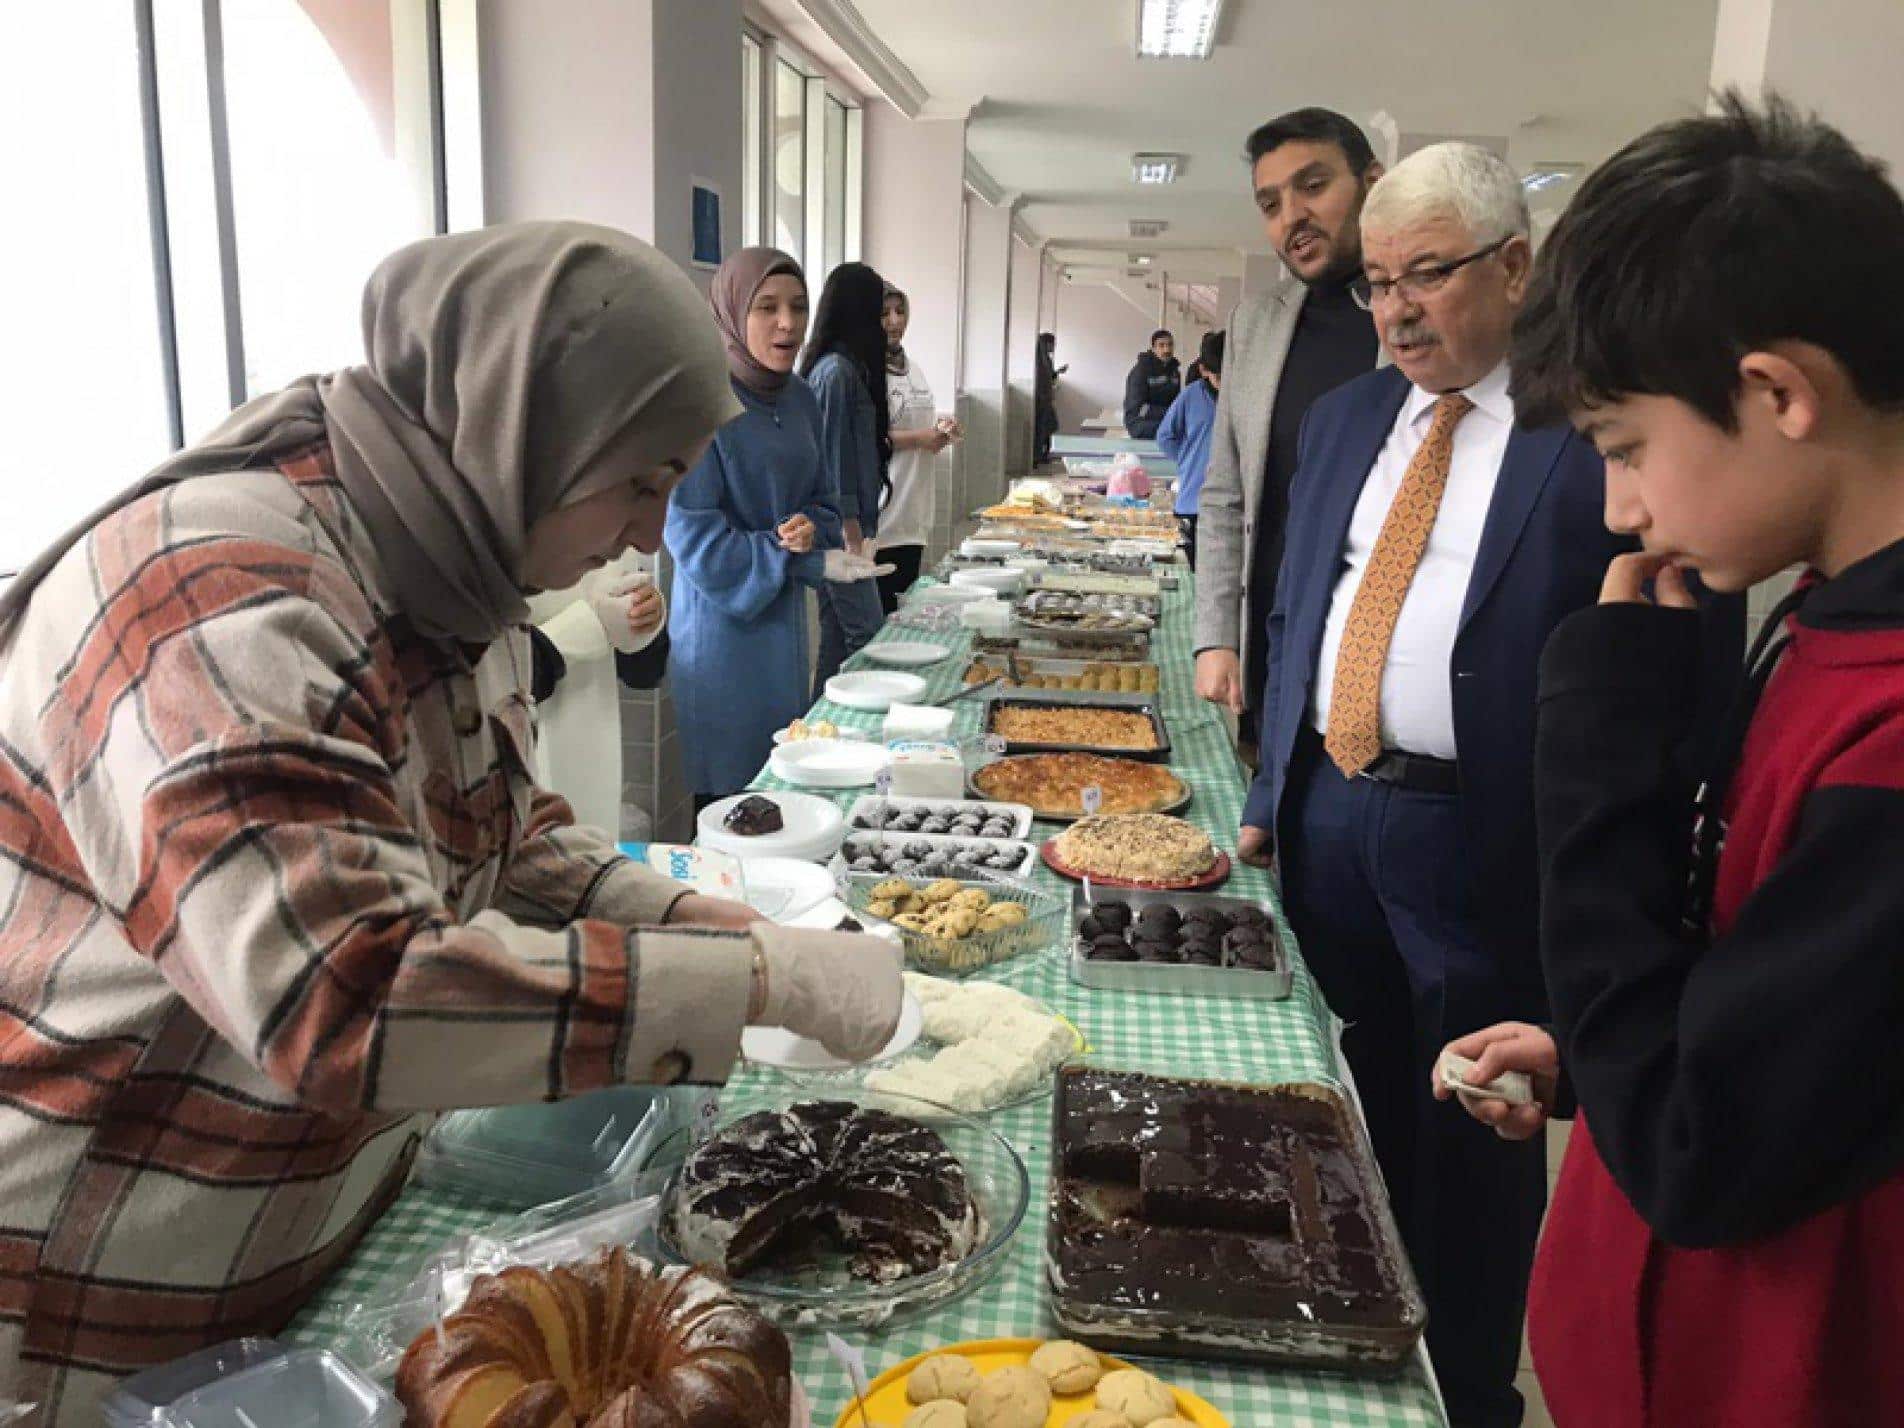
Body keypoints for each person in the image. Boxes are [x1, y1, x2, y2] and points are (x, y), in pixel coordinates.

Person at [0, 223, 903, 1420]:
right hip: (86, 1301)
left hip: (294, 1256)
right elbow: (347, 996)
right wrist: (744, 982)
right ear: (522, 434)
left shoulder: (441, 567)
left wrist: (709, 920)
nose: (647, 533)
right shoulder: (220, 597)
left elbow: (511, 839)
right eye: (638, 483)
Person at [1235, 145, 1739, 1427]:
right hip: (1330, 811)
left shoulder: (1595, 438)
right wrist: (1267, 781)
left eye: (1426, 276)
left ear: (1512, 267)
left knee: (1472, 1127)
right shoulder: (1345, 417)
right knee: (1331, 1103)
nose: (1396, 309)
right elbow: (1301, 603)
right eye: (1376, 284)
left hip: (1486, 838)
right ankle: (1339, 1340)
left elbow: (1679, 664)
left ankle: (1459, 1395)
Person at [1439, 95, 1904, 1428]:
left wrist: (1590, 741)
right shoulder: (1819, 614)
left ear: (1776, 393)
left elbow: (1710, 1154)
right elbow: (1798, 1015)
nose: (1618, 508)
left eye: (1627, 448)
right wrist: (1602, 1052)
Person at [1193, 108, 1385, 763]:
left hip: (1376, 675)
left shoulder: (1411, 321)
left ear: (1372, 183)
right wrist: (1216, 636)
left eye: (1313, 186)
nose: (1292, 216)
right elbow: (1225, 493)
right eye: (1271, 203)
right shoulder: (1257, 324)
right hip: (1268, 660)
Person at [667, 248, 879, 806]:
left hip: (785, 630)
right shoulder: (700, 405)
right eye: (767, 307)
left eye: (799, 306)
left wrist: (813, 527)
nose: (787, 323)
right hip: (722, 637)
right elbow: (695, 542)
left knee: (785, 791)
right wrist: (796, 555)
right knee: (730, 807)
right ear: (733, 315)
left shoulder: (802, 399)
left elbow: (825, 505)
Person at [527, 554, 670, 837]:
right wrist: (590, 624)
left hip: (595, 760)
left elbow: (643, 674)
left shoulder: (612, 527)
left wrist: (648, 617)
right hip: (524, 760)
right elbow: (488, 674)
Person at [802, 262, 895, 690]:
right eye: (878, 312)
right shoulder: (835, 373)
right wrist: (851, 532)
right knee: (868, 634)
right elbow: (833, 459)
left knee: (838, 640)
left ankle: (822, 729)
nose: (885, 324)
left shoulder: (847, 369)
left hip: (843, 527)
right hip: (839, 531)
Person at [877, 281, 963, 611]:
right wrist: (919, 439)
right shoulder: (863, 371)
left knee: (903, 608)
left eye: (900, 311)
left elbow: (912, 420)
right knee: (882, 616)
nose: (895, 321)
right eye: (884, 313)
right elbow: (868, 437)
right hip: (883, 511)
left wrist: (942, 427)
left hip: (914, 511)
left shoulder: (913, 369)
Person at [1156, 329, 1224, 568]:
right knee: (1196, 569)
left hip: (1230, 503)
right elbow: (1165, 436)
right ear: (1204, 370)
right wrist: (1187, 462)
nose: (1224, 381)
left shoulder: (1243, 397)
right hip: (1194, 499)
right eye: (1218, 375)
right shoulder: (1190, 397)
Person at [1122, 328, 1180, 438]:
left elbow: (1175, 402)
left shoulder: (1174, 371)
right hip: (1139, 423)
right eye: (1161, 345)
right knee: (1177, 432)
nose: (1167, 349)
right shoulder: (1140, 371)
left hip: (1164, 419)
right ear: (1153, 349)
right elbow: (1139, 409)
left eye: (1170, 344)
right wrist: (1170, 413)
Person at [1034, 331, 1066, 465]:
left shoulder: (1046, 359)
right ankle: (1038, 456)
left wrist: (1058, 372)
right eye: (1052, 344)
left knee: (1050, 427)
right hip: (1041, 400)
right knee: (1043, 428)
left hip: (1046, 399)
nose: (1054, 347)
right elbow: (1041, 379)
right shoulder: (1038, 360)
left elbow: (1049, 376)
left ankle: (1043, 454)